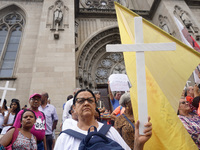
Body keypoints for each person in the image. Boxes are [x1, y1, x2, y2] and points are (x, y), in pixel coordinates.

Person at [54, 89, 152, 150]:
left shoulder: (110, 131)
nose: (86, 103)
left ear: (95, 105)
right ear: (74, 108)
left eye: (90, 100)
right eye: (81, 101)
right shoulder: (65, 138)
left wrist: (138, 144)